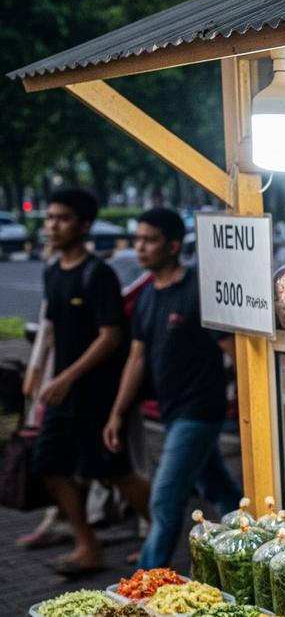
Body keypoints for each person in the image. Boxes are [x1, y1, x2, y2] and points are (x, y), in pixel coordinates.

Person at [102, 208, 240, 570]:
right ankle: (248, 545)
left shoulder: (197, 289)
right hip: (172, 411)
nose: (141, 248)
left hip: (200, 410)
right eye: (138, 240)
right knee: (220, 490)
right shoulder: (147, 296)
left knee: (164, 501)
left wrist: (256, 403)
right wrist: (116, 412)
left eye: (150, 240)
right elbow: (136, 359)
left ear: (174, 245)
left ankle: (143, 584)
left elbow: (232, 350)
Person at [25, 188, 150, 577]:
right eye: (49, 218)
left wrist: (66, 376)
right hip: (63, 395)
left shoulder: (98, 274)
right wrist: (39, 371)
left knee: (114, 473)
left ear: (84, 225)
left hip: (97, 395)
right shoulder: (52, 271)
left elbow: (110, 335)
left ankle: (163, 528)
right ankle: (87, 547)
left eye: (62, 218)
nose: (52, 226)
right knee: (48, 464)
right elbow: (53, 329)